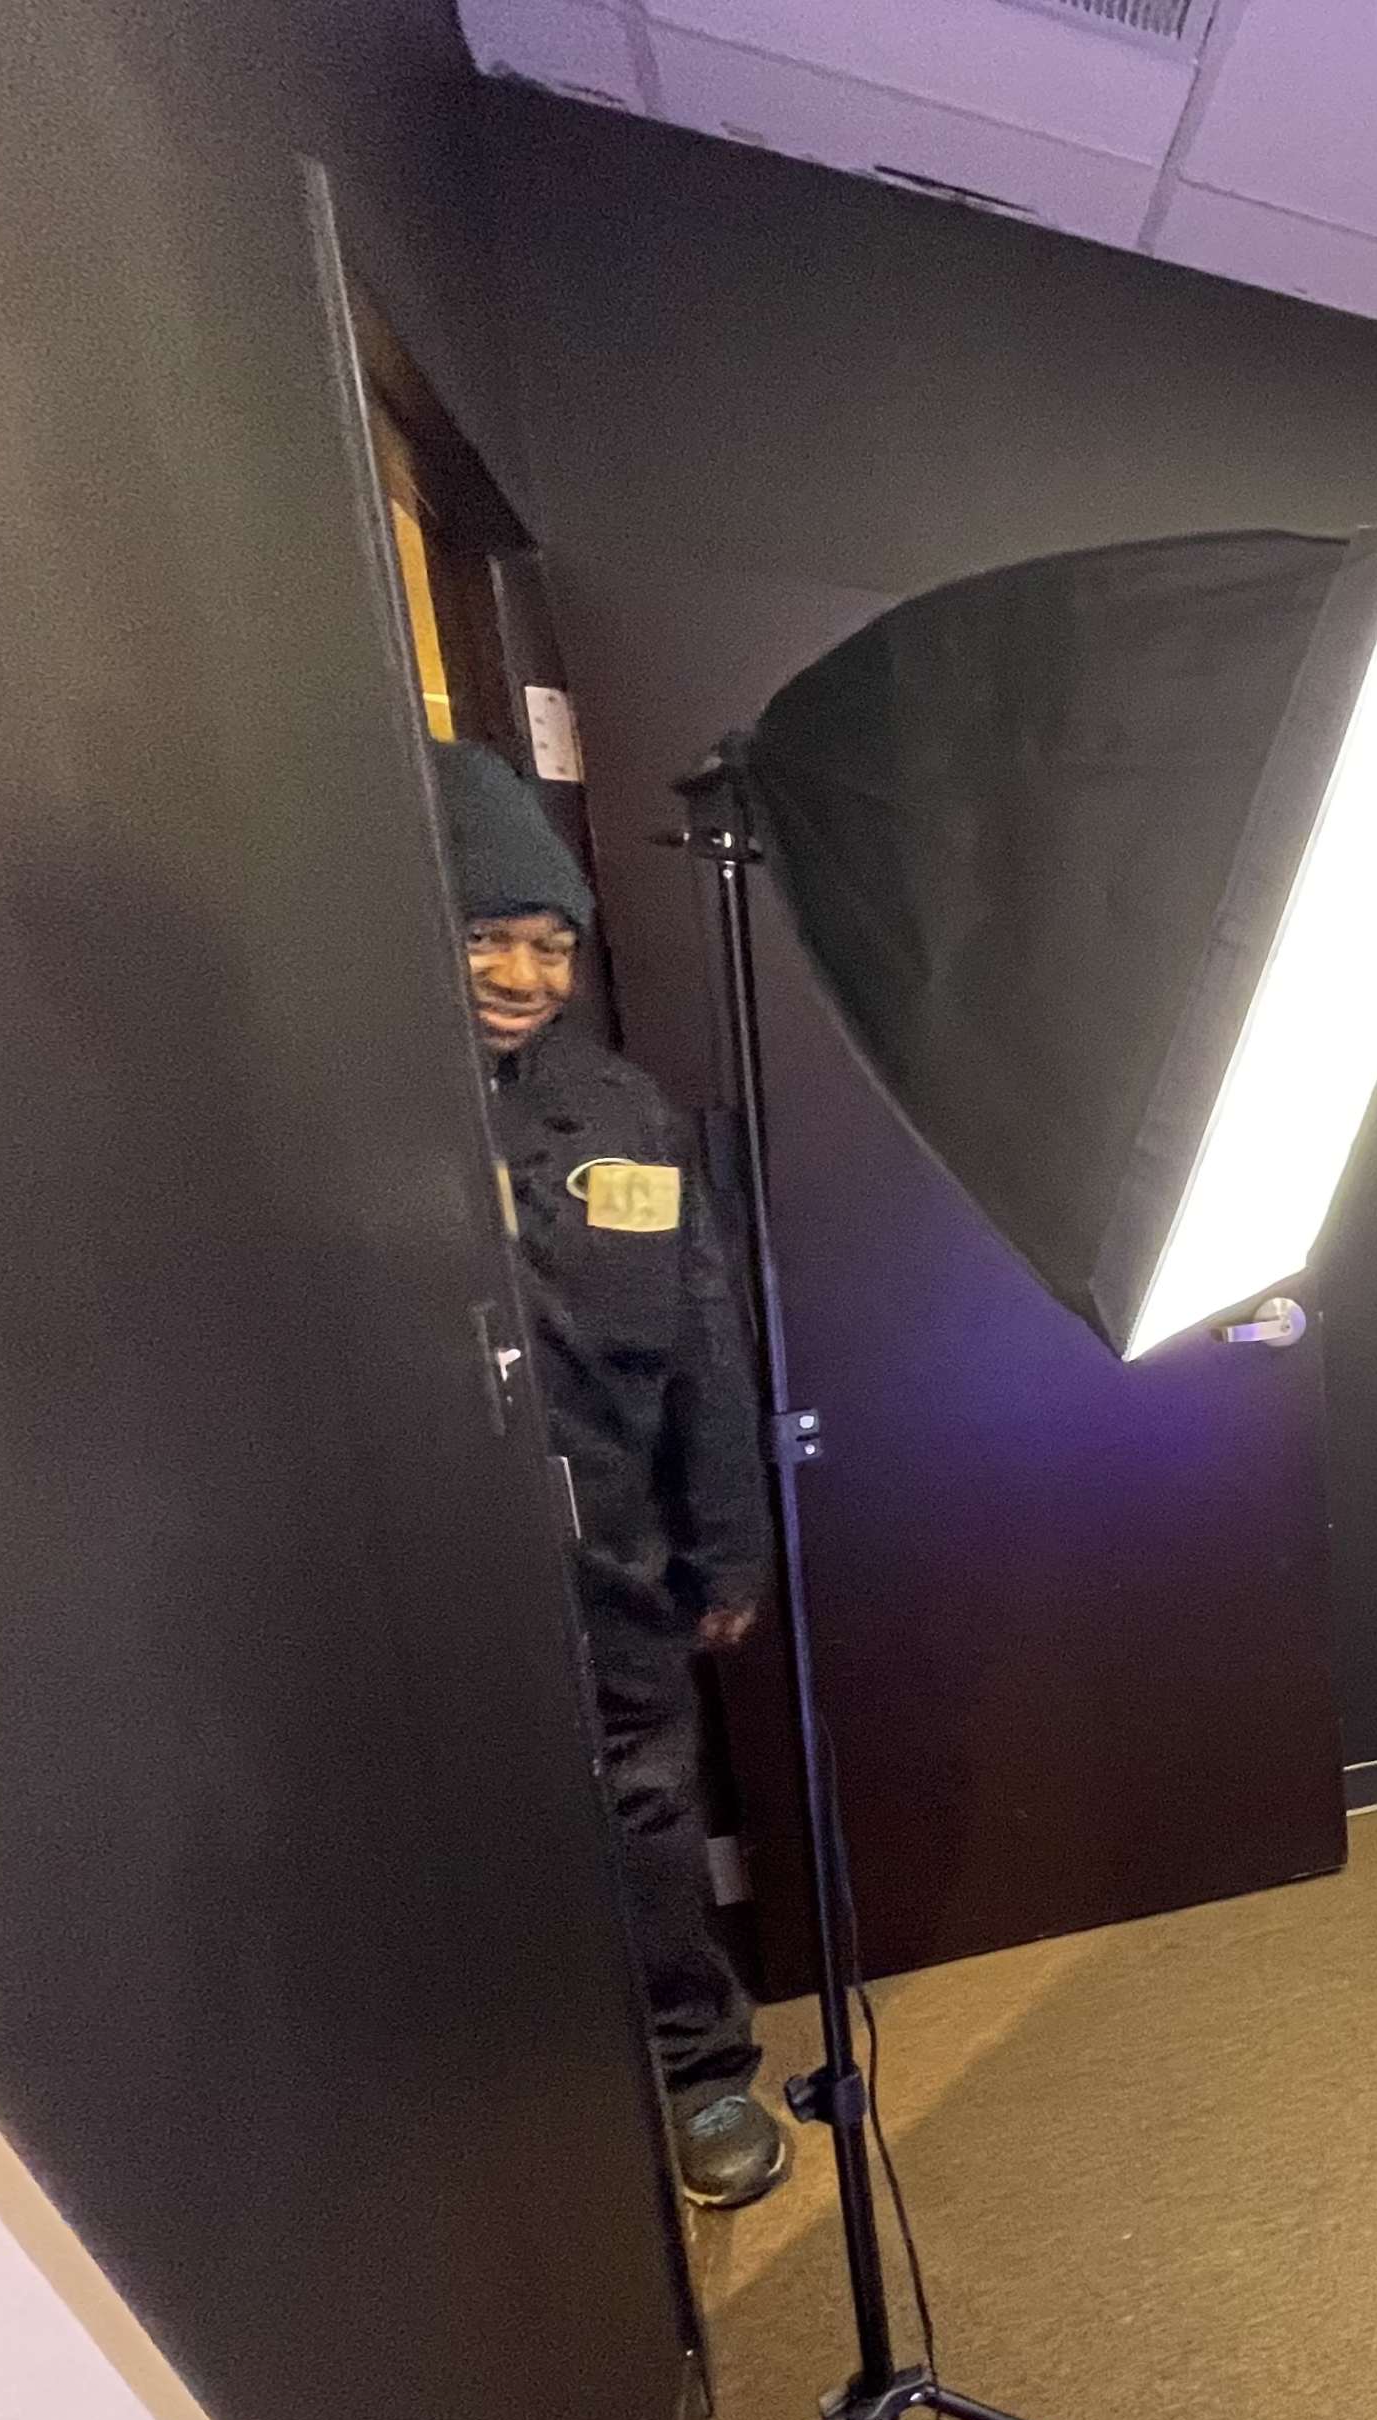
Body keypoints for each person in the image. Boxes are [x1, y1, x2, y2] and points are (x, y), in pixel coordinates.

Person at [436, 742, 788, 2211]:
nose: (524, 971)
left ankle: (701, 2072)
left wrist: (732, 1550)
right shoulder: (341, 1104)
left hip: (614, 1558)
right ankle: (505, 2104)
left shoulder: (623, 1113)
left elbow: (699, 1336)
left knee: (647, 1808)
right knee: (464, 1832)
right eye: (489, 936)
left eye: (551, 942)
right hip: (428, 1571)